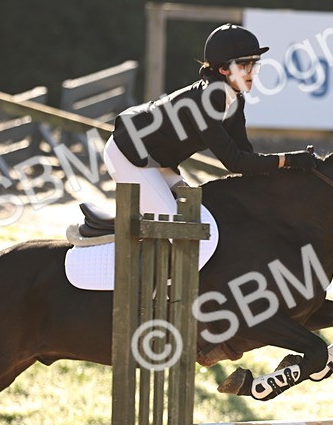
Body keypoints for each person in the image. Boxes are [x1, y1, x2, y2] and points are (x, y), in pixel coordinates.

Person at [103, 24, 318, 268]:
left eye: (254, 65)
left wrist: (286, 167)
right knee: (182, 230)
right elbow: (235, 162)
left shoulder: (235, 99)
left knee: (197, 214)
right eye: (244, 65)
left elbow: (247, 157)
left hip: (159, 161)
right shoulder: (207, 101)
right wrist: (288, 160)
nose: (251, 72)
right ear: (224, 69)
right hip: (129, 155)